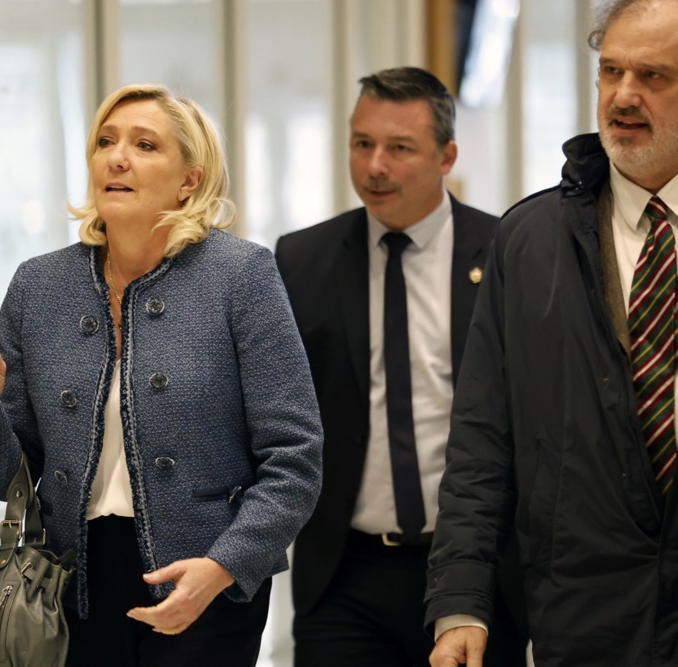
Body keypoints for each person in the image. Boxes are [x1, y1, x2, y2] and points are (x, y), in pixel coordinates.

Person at [0, 82, 323, 666]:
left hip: (207, 585)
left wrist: (224, 566)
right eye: (106, 141)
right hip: (69, 588)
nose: (117, 158)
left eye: (145, 145)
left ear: (189, 180)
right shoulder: (37, 286)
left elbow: (295, 458)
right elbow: (4, 482)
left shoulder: (241, 276)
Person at [426, 1, 678, 665]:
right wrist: (461, 600)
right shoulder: (529, 241)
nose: (623, 95)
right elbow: (482, 437)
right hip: (585, 613)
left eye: (653, 76)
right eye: (611, 71)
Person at [275, 67, 527, 667]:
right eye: (362, 143)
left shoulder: (506, 253)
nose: (374, 166)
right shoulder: (302, 260)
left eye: (400, 148)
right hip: (345, 573)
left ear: (446, 157)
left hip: (478, 570)